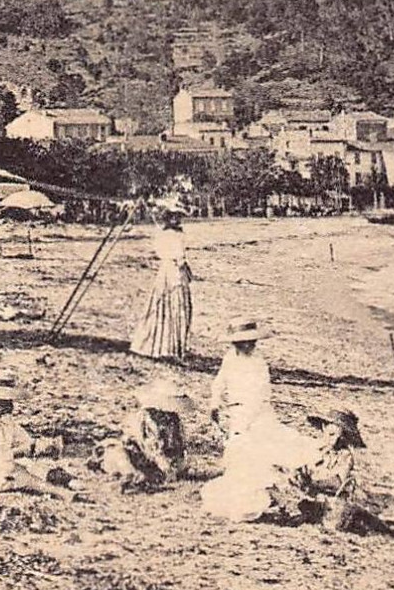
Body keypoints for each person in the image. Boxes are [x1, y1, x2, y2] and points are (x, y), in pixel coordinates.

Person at [202, 319, 314, 522]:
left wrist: (246, 423)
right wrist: (214, 404)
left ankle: (267, 503)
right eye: (244, 341)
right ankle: (243, 502)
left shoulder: (258, 363)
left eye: (251, 341)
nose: (249, 345)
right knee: (240, 460)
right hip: (238, 413)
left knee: (256, 458)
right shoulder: (230, 359)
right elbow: (220, 381)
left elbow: (260, 395)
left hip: (257, 415)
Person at [0, 374, 74, 498]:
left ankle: (67, 482)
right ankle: (59, 492)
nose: (10, 406)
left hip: (4, 464)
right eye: (5, 402)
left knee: (37, 467)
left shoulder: (5, 420)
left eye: (10, 401)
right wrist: (23, 451)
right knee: (18, 473)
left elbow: (23, 439)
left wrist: (38, 446)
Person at [92, 379, 194, 490]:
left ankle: (137, 476)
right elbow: (142, 442)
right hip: (140, 456)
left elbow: (177, 447)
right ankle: (131, 474)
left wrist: (171, 463)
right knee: (117, 452)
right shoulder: (143, 418)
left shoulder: (174, 422)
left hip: (160, 462)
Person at [129, 207, 193, 362]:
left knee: (163, 306)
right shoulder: (176, 236)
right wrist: (186, 269)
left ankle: (158, 346)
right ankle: (169, 348)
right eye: (175, 217)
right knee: (177, 306)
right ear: (169, 218)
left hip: (165, 271)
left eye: (179, 217)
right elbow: (179, 257)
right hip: (173, 271)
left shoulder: (163, 235)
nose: (177, 220)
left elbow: (161, 251)